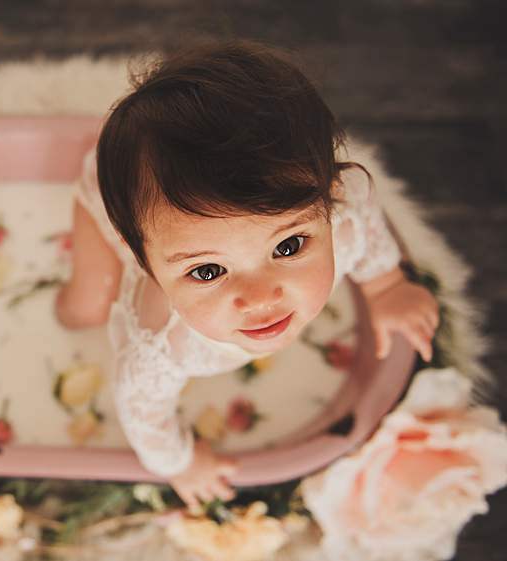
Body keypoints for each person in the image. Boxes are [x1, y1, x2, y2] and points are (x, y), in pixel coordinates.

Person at [54, 39, 440, 512]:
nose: (260, 298)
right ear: (148, 266)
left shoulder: (345, 215)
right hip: (104, 203)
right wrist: (180, 462)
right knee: (87, 307)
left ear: (328, 198)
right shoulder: (158, 348)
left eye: (289, 246)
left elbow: (366, 217)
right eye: (209, 270)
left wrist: (387, 286)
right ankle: (78, 294)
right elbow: (144, 415)